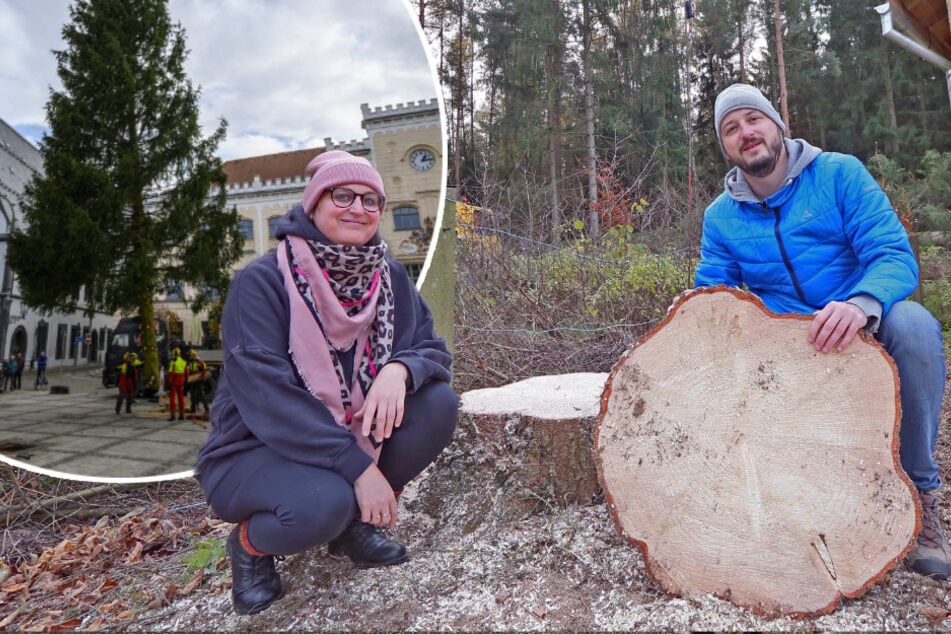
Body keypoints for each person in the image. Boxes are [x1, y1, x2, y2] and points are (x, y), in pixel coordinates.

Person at [694, 83, 950, 580]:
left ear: (777, 124)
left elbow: (893, 255)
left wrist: (859, 304)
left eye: (753, 119)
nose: (746, 133)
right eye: (731, 128)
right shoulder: (720, 218)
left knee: (915, 325)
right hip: (787, 353)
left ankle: (921, 495)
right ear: (725, 146)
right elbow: (714, 299)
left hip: (863, 328)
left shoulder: (838, 174)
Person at [194, 150, 458, 615]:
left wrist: (399, 369)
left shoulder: (389, 277)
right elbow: (268, 396)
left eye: (371, 200)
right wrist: (359, 469)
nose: (358, 208)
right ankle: (251, 547)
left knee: (437, 404)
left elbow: (431, 347)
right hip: (255, 447)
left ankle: (353, 527)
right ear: (314, 204)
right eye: (343, 196)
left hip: (344, 434)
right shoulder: (262, 281)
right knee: (322, 504)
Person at [186, 349, 209, 414]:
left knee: (200, 394)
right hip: (194, 379)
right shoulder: (191, 362)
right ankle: (193, 409)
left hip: (199, 380)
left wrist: (202, 377)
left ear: (193, 355)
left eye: (190, 355)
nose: (189, 357)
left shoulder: (199, 362)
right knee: (192, 393)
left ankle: (207, 409)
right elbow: (190, 371)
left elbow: (204, 370)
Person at [167, 347, 187, 421]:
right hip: (181, 381)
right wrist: (185, 381)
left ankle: (173, 416)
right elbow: (186, 373)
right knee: (181, 398)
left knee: (172, 399)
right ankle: (182, 415)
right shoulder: (183, 361)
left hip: (174, 381)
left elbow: (171, 373)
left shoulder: (173, 362)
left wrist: (169, 381)